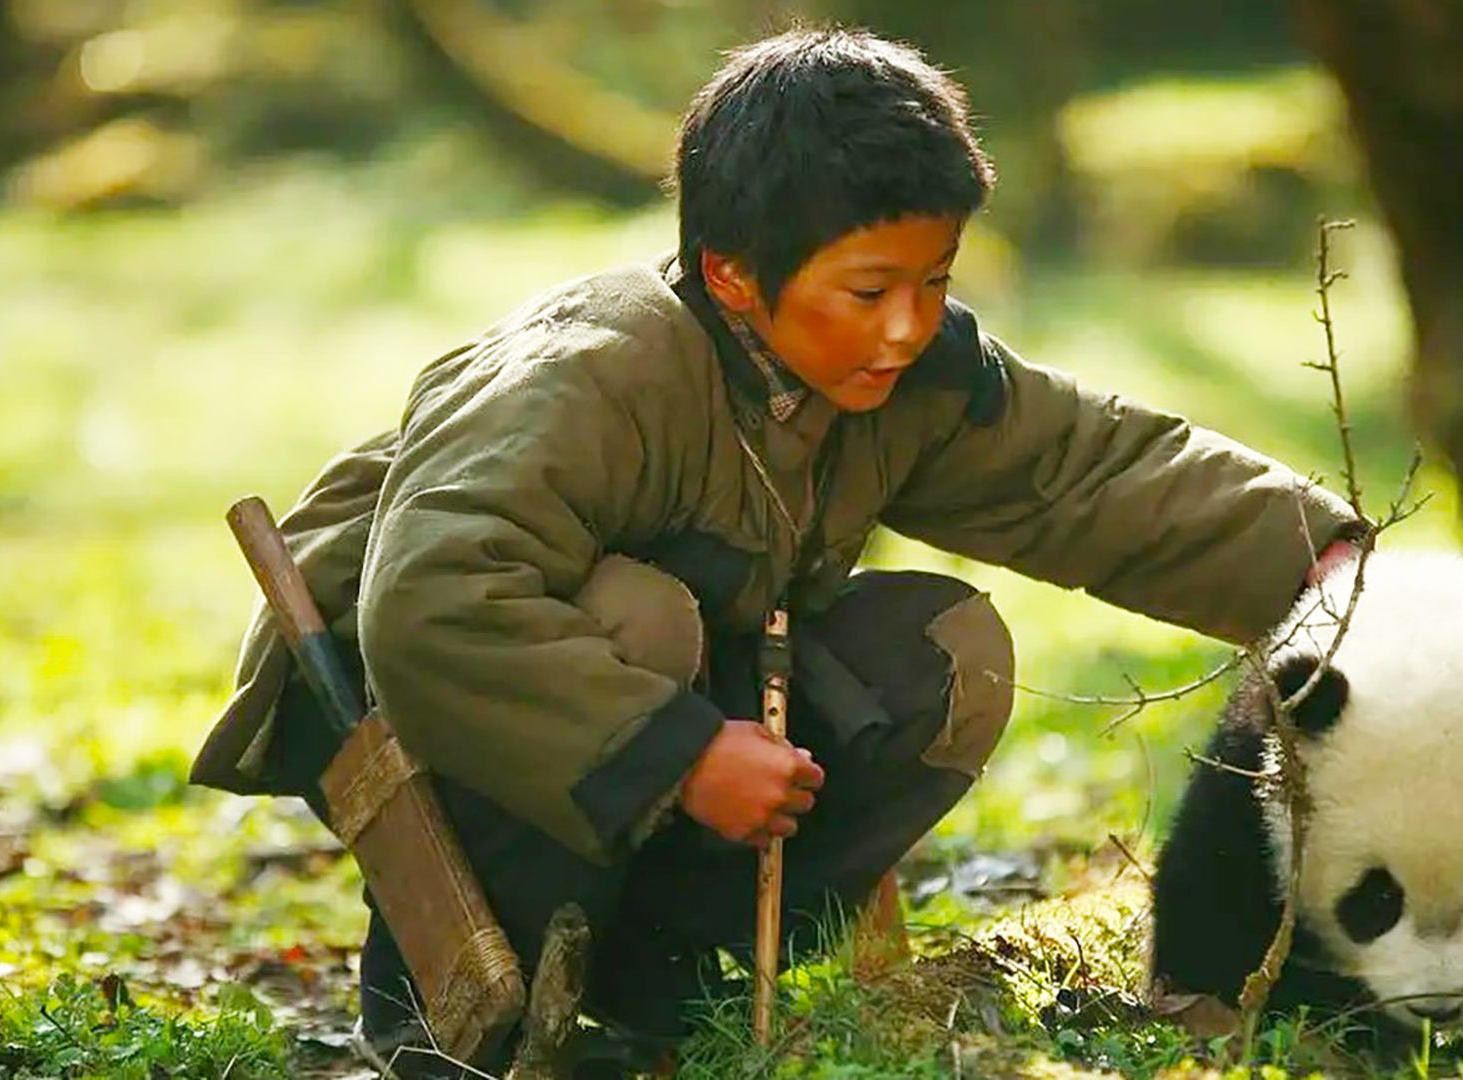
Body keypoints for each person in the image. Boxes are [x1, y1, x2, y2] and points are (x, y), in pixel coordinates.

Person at [190, 24, 1360, 1079]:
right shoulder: (597, 366)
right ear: (733, 276)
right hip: (398, 695)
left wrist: (1322, 564)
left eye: (934, 280)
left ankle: (659, 983)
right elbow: (435, 601)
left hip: (651, 687)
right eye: (868, 288)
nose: (908, 326)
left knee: (947, 654)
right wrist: (683, 753)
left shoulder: (896, 370)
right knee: (642, 619)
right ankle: (444, 1007)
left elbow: (1089, 469)